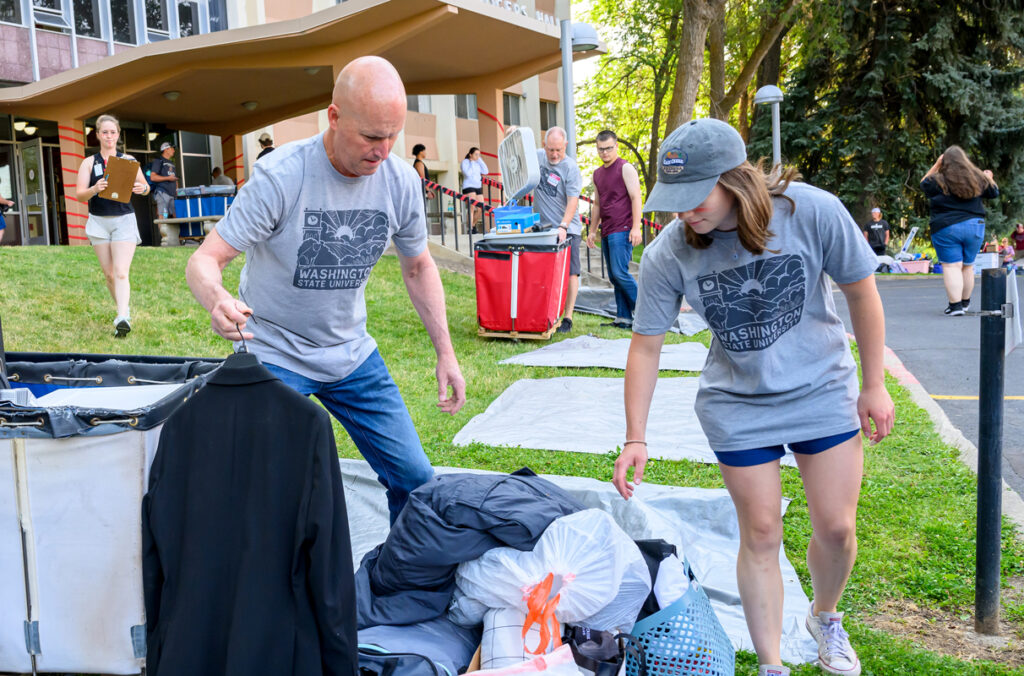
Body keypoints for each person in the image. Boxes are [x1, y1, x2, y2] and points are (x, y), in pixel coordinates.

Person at [612, 119, 894, 676]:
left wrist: (874, 383)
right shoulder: (669, 251)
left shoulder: (810, 212)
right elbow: (646, 347)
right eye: (676, 200)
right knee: (761, 532)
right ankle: (771, 666)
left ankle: (826, 616)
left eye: (697, 197)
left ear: (736, 179)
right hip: (737, 403)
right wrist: (635, 436)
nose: (685, 212)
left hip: (820, 387)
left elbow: (863, 293)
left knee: (836, 527)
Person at [186, 56, 466, 524]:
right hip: (274, 350)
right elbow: (204, 260)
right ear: (334, 118)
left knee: (415, 478)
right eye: (371, 137)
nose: (383, 150)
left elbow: (418, 267)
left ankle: (398, 581)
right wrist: (216, 299)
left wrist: (447, 353)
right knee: (267, 484)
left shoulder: (400, 182)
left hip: (350, 354)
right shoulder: (282, 175)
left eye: (392, 136)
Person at [75, 114, 150, 337]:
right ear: (97, 135)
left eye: (113, 132)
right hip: (98, 222)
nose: (109, 136)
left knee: (120, 272)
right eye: (105, 132)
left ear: (118, 135)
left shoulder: (128, 160)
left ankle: (122, 317)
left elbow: (146, 187)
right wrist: (95, 189)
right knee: (108, 274)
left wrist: (141, 189)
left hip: (123, 220)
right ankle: (124, 310)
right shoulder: (89, 162)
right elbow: (79, 195)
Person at [920, 146, 998, 316]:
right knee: (967, 266)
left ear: (944, 162)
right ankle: (965, 303)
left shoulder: (938, 179)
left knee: (951, 266)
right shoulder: (977, 178)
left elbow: (923, 184)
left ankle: (955, 307)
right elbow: (994, 192)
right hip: (974, 226)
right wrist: (989, 177)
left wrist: (936, 164)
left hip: (946, 227)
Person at [586, 129, 642, 329]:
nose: (605, 153)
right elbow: (598, 205)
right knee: (613, 275)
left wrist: (636, 227)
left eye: (609, 148)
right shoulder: (597, 174)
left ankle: (646, 314)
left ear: (616, 146)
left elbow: (636, 197)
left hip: (623, 227)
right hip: (607, 229)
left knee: (620, 272)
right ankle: (624, 318)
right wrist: (593, 231)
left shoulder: (625, 168)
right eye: (601, 149)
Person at [533, 127, 583, 333]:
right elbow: (517, 152)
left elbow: (573, 201)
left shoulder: (571, 168)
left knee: (571, 272)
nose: (554, 155)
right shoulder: (537, 157)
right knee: (543, 272)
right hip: (543, 228)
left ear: (566, 146)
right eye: (550, 150)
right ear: (544, 145)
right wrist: (514, 133)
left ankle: (568, 317)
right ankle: (544, 311)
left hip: (568, 228)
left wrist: (563, 225)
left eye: (558, 150)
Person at [460, 147, 488, 233]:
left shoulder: (478, 163)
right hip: (468, 186)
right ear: (470, 154)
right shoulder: (465, 162)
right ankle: (470, 229)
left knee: (481, 208)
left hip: (477, 186)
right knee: (471, 207)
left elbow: (486, 171)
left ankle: (473, 225)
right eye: (476, 154)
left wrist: (480, 160)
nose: (477, 156)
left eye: (479, 155)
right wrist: (471, 162)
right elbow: (468, 174)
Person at [148, 141, 178, 219]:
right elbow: (153, 177)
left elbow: (174, 177)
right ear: (166, 149)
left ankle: (177, 231)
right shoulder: (159, 161)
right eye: (172, 148)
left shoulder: (171, 163)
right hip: (162, 192)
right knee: (163, 215)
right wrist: (168, 178)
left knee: (176, 215)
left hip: (172, 194)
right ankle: (162, 231)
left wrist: (177, 189)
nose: (174, 151)